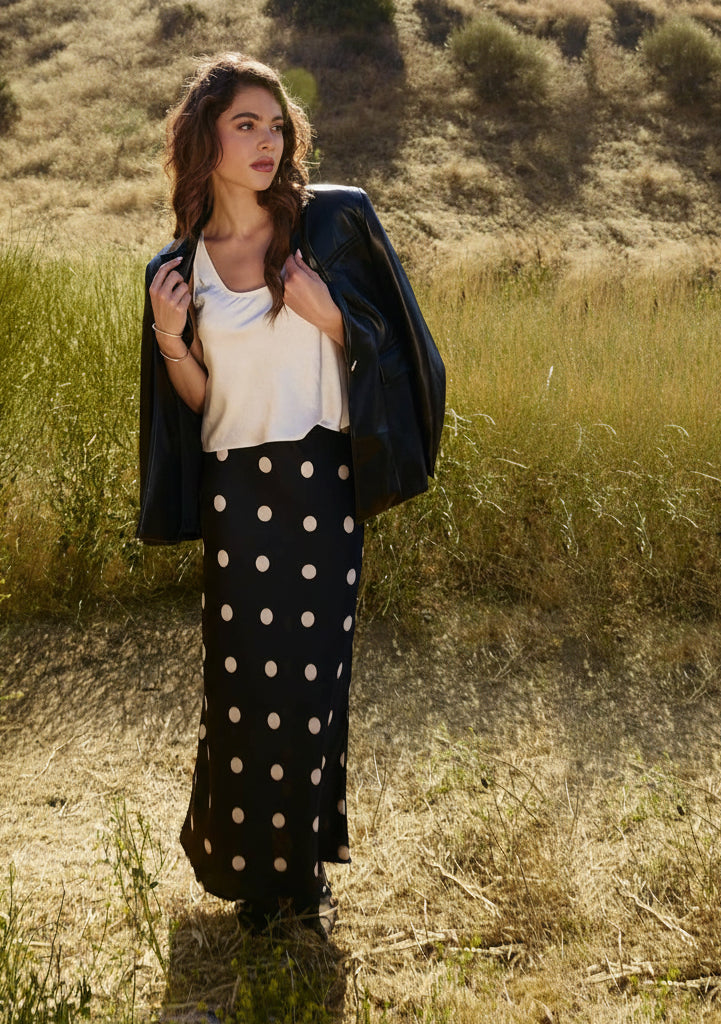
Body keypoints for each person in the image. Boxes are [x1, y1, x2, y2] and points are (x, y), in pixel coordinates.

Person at [137, 53, 445, 937]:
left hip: (321, 487)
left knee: (311, 688)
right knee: (238, 690)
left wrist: (334, 318)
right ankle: (248, 879)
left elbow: (406, 348)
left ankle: (301, 875)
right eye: (246, 125)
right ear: (205, 139)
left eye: (276, 126)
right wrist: (170, 338)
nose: (266, 141)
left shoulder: (331, 226)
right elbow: (201, 401)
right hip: (236, 494)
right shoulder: (179, 268)